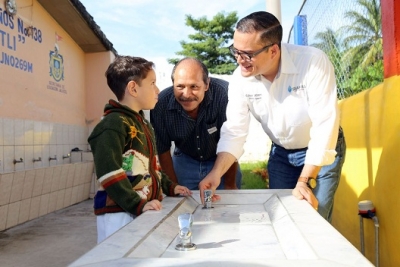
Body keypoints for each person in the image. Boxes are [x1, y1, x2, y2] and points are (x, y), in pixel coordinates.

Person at [199, 11, 346, 222]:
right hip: (281, 154)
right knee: (282, 217)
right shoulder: (239, 79)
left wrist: (305, 180)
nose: (240, 61)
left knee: (315, 218)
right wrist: (216, 174)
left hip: (320, 151)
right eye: (235, 51)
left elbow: (325, 126)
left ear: (274, 50)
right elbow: (235, 131)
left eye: (247, 54)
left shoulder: (313, 62)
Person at [88, 56, 192, 243]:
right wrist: (136, 204)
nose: (157, 90)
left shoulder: (142, 123)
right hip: (118, 212)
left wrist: (171, 187)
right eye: (152, 83)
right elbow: (109, 173)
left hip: (140, 208)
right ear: (133, 88)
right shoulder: (113, 124)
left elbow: (151, 168)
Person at [150, 57, 242, 191]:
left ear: (206, 84)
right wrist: (173, 188)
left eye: (194, 87)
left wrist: (229, 185)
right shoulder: (161, 104)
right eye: (180, 86)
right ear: (173, 83)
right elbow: (163, 149)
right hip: (184, 160)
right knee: (183, 207)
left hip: (221, 160)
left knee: (227, 206)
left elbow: (232, 141)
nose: (186, 94)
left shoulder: (225, 95)